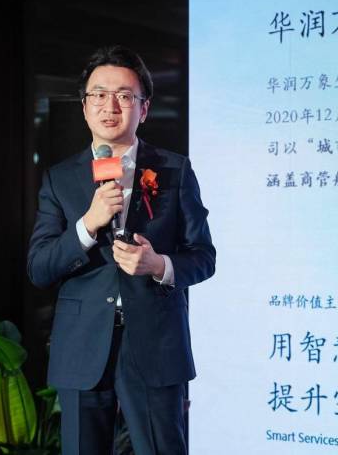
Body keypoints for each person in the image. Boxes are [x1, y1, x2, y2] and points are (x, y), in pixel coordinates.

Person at [27, 45, 216, 455]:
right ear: (84, 107)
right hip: (82, 345)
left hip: (155, 344)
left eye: (124, 95)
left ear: (143, 109)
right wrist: (87, 224)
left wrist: (158, 264)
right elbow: (40, 268)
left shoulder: (174, 170)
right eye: (98, 94)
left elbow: (203, 257)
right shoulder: (60, 179)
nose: (110, 105)